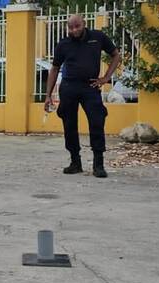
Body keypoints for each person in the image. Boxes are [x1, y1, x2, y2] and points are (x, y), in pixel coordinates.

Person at [44, 14, 121, 178]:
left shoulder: (98, 37)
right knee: (69, 124)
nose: (74, 30)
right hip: (69, 87)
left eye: (77, 26)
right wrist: (48, 95)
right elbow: (55, 69)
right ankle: (75, 162)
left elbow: (116, 55)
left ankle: (98, 165)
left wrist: (106, 77)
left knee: (97, 122)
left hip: (90, 87)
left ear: (84, 24)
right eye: (71, 27)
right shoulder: (63, 45)